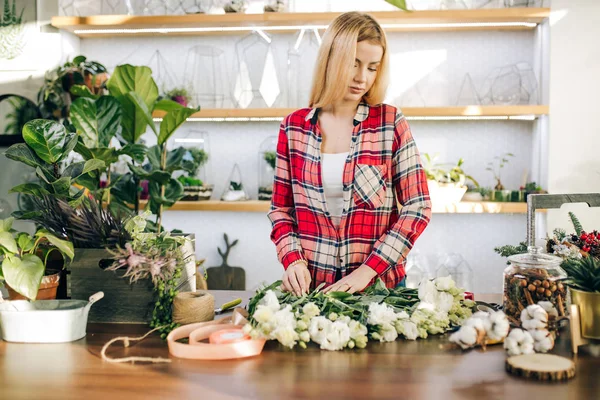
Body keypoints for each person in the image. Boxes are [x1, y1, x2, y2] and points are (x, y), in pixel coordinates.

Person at [268, 11, 432, 296]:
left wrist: (367, 271)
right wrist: (292, 260)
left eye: (372, 67)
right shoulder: (293, 127)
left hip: (382, 290)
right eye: (353, 64)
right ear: (331, 60)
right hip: (314, 291)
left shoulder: (390, 123)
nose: (361, 78)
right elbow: (282, 210)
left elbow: (418, 207)